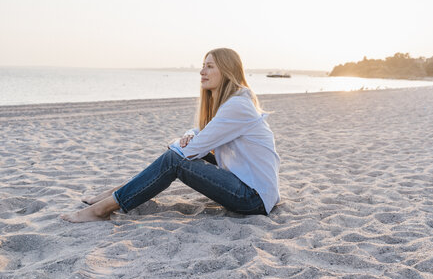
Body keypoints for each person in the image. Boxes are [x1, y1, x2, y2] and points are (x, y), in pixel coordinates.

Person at [61, 48, 280, 223]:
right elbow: (199, 132)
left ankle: (104, 207)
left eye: (209, 67)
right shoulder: (232, 104)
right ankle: (115, 193)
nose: (202, 72)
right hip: (253, 190)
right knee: (175, 156)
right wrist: (186, 135)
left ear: (227, 71)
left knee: (174, 160)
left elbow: (189, 150)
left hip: (253, 199)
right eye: (203, 66)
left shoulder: (237, 105)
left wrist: (178, 142)